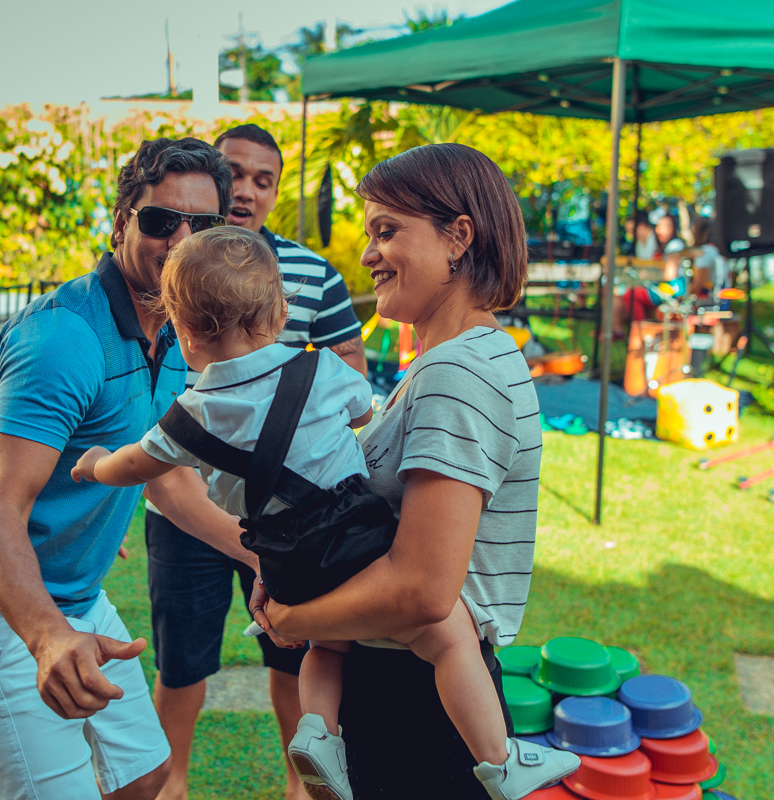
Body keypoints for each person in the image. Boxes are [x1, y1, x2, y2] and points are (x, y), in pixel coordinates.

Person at [73, 225, 578, 800]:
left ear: (183, 333)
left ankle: (317, 731)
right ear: (279, 313)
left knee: (325, 645)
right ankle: (497, 760)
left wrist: (93, 465)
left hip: (280, 557)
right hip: (354, 535)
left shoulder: (189, 416)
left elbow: (134, 466)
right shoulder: (318, 369)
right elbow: (363, 412)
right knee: (450, 637)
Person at [0, 138, 250, 800]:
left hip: (75, 595)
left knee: (148, 774)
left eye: (202, 225)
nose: (182, 240)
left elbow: (167, 478)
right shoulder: (63, 339)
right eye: (161, 221)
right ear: (121, 221)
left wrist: (266, 560)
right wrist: (46, 637)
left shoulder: (179, 329)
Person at [249, 143, 557, 798]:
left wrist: (294, 619)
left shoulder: (456, 373)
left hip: (417, 706)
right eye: (370, 234)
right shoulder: (452, 361)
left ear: (458, 238)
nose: (366, 256)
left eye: (387, 232)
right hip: (406, 690)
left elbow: (423, 589)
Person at [140, 123, 365, 800]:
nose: (246, 190)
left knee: (296, 655)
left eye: (263, 179)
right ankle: (167, 785)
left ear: (275, 191)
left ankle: (304, 790)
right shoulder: (169, 268)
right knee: (180, 664)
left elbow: (351, 375)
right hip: (186, 509)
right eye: (233, 173)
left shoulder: (312, 274)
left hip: (288, 519)